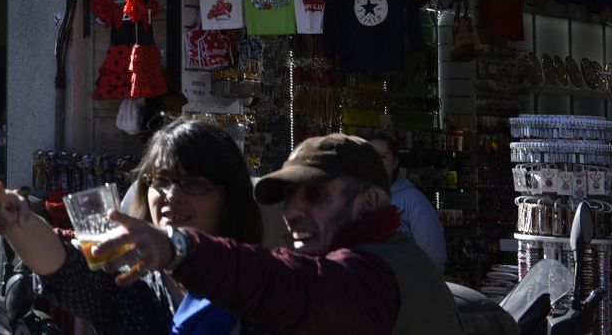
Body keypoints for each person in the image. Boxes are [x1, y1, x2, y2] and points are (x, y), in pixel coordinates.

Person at [90, 133, 462, 335]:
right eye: (288, 197)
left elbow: (289, 284)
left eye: (315, 194)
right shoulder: (376, 258)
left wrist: (179, 247)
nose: (293, 212)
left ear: (369, 202)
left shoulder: (375, 274)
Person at [0, 116, 265, 335]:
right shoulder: (126, 277)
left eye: (194, 183)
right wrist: (17, 221)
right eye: (161, 181)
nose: (172, 196)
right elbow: (63, 267)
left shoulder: (260, 280)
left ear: (229, 198)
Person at [366, 133, 447, 270]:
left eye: (382, 157)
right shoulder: (355, 200)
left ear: (395, 162)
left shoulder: (413, 200)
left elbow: (434, 259)